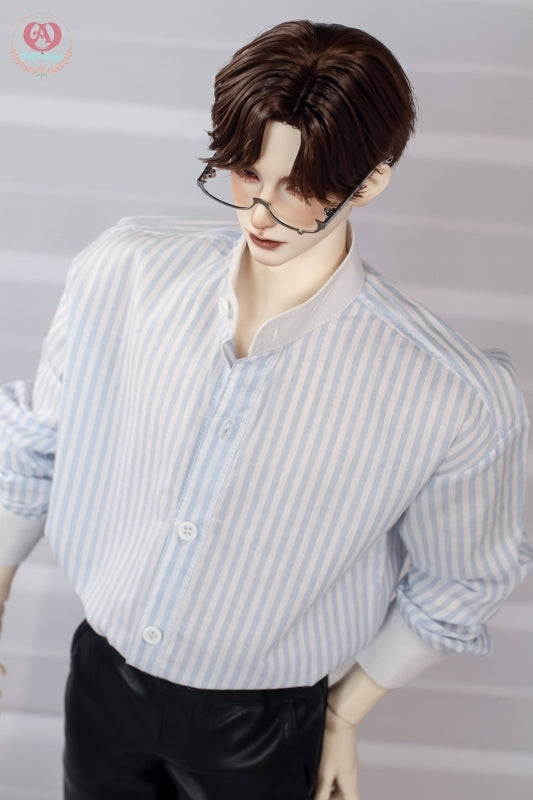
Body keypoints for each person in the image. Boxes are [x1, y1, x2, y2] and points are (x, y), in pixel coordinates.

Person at [0, 19, 531, 800]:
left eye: (299, 186)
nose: (260, 211)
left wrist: (342, 714)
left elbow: (462, 576)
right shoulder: (124, 272)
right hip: (102, 681)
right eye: (247, 173)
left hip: (261, 725)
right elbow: (39, 440)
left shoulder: (447, 395)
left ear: (368, 183)